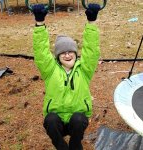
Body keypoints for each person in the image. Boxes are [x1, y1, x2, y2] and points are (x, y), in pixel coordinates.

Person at [32, 3, 100, 150]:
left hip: (76, 122)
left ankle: (75, 145)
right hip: (57, 122)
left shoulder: (84, 69)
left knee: (78, 118)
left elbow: (92, 50)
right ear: (57, 56)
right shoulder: (50, 70)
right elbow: (41, 52)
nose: (67, 54)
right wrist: (39, 23)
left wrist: (92, 22)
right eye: (63, 52)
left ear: (76, 54)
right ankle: (61, 147)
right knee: (50, 120)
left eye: (71, 51)